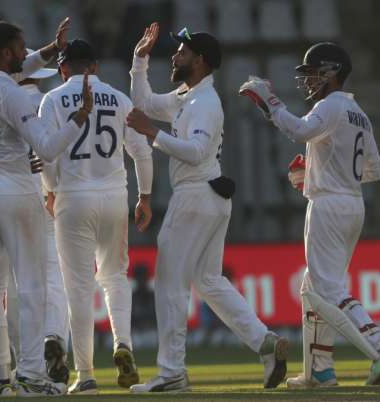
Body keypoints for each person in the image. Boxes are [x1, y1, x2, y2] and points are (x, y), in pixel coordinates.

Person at [125, 23, 289, 392]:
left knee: (170, 284)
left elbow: (196, 152)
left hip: (196, 196)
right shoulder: (187, 96)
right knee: (210, 281)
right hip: (208, 198)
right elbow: (145, 104)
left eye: (182, 52)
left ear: (199, 61)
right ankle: (264, 343)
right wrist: (139, 61)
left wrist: (152, 133)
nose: (175, 55)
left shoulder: (205, 103)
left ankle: (171, 373)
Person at [239, 42, 380, 387]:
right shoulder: (357, 111)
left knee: (327, 289)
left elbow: (298, 130)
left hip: (329, 206)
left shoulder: (330, 106)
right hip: (352, 204)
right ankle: (319, 370)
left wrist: (270, 102)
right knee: (311, 287)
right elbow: (374, 169)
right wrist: (319, 168)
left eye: (313, 72)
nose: (308, 80)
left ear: (331, 72)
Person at [0, 18, 94, 398]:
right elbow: (47, 149)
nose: (25, 54)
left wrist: (49, 48)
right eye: (20, 48)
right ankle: (31, 375)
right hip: (16, 198)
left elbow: (20, 66)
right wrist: (78, 119)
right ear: (4, 52)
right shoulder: (14, 96)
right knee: (32, 287)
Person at [39, 38, 153, 395]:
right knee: (116, 277)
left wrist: (51, 190)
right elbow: (141, 152)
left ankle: (85, 374)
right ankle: (124, 345)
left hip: (74, 196)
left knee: (77, 287)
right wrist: (145, 197)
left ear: (62, 68)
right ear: (95, 67)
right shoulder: (118, 98)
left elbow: (46, 153)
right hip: (115, 195)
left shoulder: (53, 99)